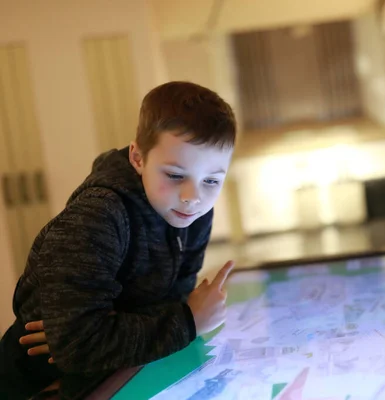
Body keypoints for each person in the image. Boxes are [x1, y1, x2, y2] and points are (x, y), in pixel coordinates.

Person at [0, 81, 237, 399]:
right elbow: (77, 345)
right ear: (137, 158)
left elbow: (169, 302)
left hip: (116, 374)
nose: (192, 197)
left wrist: (109, 328)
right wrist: (189, 321)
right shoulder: (97, 217)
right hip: (33, 385)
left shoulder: (193, 213)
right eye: (175, 175)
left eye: (211, 180)